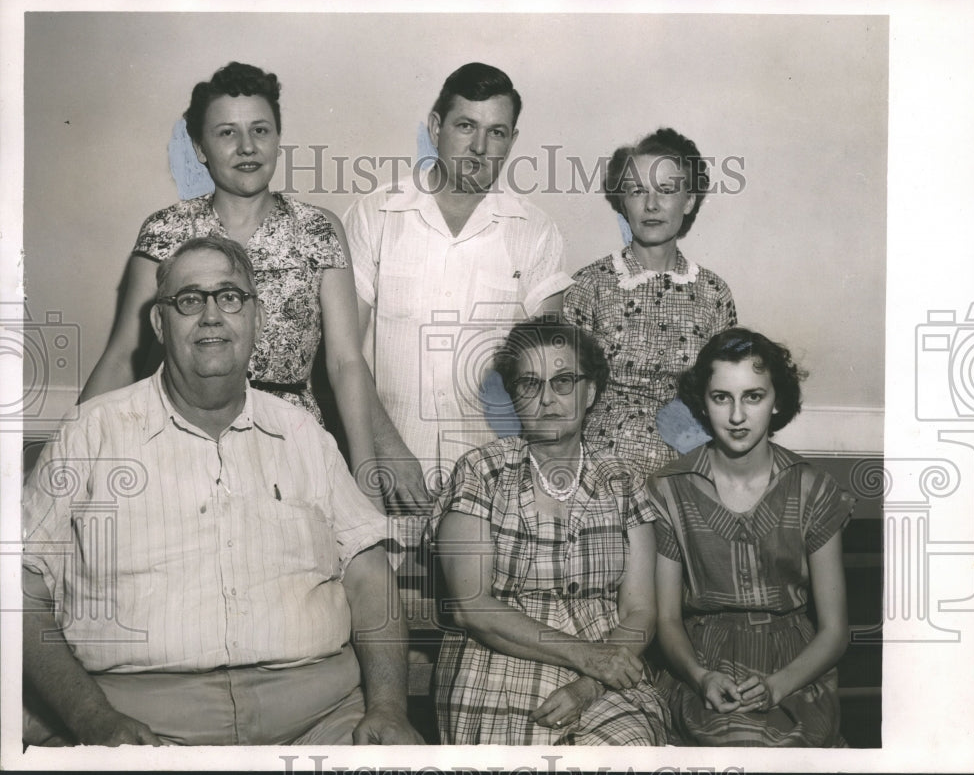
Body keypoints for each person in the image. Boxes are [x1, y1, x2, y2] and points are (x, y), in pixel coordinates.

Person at [22, 237, 422, 746]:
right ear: (159, 324)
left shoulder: (304, 435)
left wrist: (388, 707)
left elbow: (369, 579)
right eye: (190, 300)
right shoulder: (91, 432)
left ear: (255, 319)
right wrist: (92, 719)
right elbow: (20, 591)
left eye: (230, 296)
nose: (212, 315)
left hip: (321, 722)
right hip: (143, 728)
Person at [79, 61, 379, 502]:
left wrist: (366, 477)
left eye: (260, 130)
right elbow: (124, 354)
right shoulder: (166, 231)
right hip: (182, 437)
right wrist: (69, 455)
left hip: (290, 444)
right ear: (200, 147)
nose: (246, 147)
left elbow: (346, 363)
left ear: (278, 139)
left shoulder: (318, 229)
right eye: (226, 133)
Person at [431, 317, 670, 745]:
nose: (546, 399)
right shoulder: (481, 472)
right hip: (496, 666)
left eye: (563, 381)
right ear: (512, 395)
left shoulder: (623, 479)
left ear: (590, 391)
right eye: (529, 384)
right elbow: (470, 608)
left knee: (631, 753)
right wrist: (586, 657)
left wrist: (592, 682)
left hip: (608, 674)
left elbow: (640, 612)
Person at [346, 62, 573, 513]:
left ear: (512, 141)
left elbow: (543, 377)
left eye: (497, 133)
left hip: (495, 484)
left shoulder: (536, 233)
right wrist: (387, 449)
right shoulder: (376, 215)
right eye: (466, 126)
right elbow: (343, 355)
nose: (479, 147)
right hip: (382, 470)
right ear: (436, 127)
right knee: (387, 585)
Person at [647, 328, 852, 746]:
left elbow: (835, 630)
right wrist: (700, 677)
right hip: (699, 659)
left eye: (753, 396)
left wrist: (778, 686)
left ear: (777, 402)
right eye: (721, 397)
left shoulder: (813, 489)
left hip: (795, 664)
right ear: (703, 404)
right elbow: (667, 619)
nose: (737, 416)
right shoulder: (669, 490)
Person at [563, 127, 737, 477]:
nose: (651, 205)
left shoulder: (714, 293)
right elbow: (567, 390)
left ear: (688, 201)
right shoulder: (589, 285)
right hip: (600, 465)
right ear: (623, 201)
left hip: (687, 466)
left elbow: (724, 394)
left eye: (667, 190)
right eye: (637, 191)